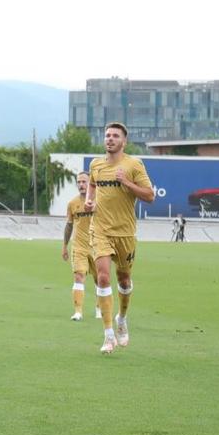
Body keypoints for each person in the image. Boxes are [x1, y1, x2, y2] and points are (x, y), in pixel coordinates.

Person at [85, 122, 155, 353]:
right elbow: (93, 184)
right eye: (107, 135)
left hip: (125, 233)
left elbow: (150, 196)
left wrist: (126, 182)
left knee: (124, 280)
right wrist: (89, 199)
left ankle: (122, 319)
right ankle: (107, 336)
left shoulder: (134, 165)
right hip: (100, 230)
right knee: (103, 278)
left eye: (115, 136)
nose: (110, 139)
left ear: (124, 141)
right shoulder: (96, 164)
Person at [62, 172, 96, 321]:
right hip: (79, 246)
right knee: (79, 276)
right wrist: (64, 245)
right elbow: (69, 226)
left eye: (84, 182)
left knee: (100, 279)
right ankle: (78, 312)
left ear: (90, 184)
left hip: (97, 246)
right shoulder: (72, 204)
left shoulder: (98, 201)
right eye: (79, 182)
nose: (81, 185)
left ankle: (100, 309)